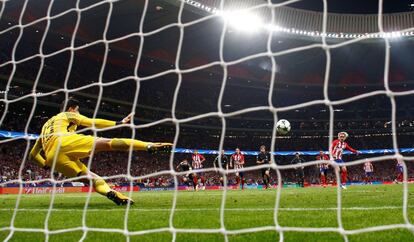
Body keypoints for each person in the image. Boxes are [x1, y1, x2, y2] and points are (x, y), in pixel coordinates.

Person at [29, 98, 173, 205]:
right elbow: (92, 122)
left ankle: (112, 194)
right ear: (71, 109)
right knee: (109, 143)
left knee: (92, 179)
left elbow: (32, 155)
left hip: (54, 159)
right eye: (77, 110)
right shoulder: (65, 115)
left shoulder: (44, 129)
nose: (78, 113)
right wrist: (119, 123)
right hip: (64, 141)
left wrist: (45, 165)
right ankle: (149, 146)